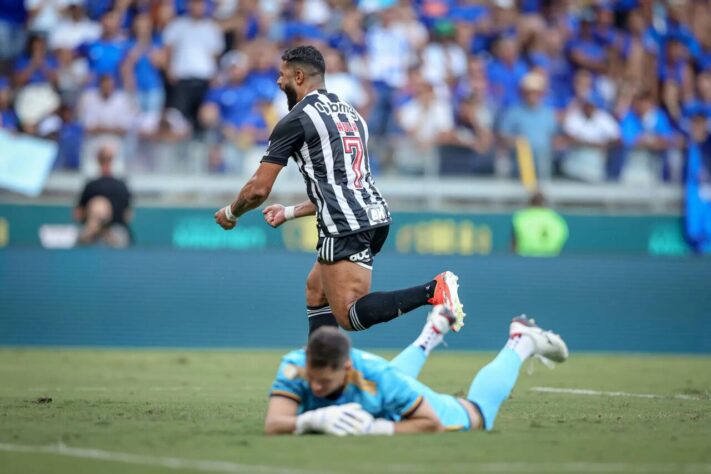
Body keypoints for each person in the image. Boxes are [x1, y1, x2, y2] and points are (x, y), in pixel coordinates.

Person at [214, 45, 464, 335]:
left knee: (348, 315)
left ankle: (433, 290)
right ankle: (323, 371)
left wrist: (232, 213)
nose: (277, 82)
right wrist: (290, 212)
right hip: (372, 214)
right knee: (316, 291)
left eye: (281, 75)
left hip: (345, 225)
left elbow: (258, 189)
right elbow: (339, 185)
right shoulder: (352, 115)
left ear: (298, 76)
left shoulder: (297, 119)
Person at [264, 305, 568, 435]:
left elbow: (431, 423)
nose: (315, 388)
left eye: (324, 383)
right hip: (382, 390)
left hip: (400, 397)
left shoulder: (379, 378)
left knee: (476, 415)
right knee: (385, 390)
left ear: (345, 368)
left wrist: (377, 430)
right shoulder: (294, 366)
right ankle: (432, 333)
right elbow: (274, 423)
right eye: (312, 381)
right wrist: (310, 420)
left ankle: (521, 341)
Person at [74, 144, 132, 247]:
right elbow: (128, 215)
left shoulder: (92, 185)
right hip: (98, 233)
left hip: (112, 233)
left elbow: (78, 213)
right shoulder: (120, 185)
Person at [511, 191, 569, 257]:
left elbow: (514, 243)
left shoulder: (520, 218)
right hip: (551, 257)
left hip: (525, 257)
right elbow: (561, 237)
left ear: (530, 203)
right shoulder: (556, 219)